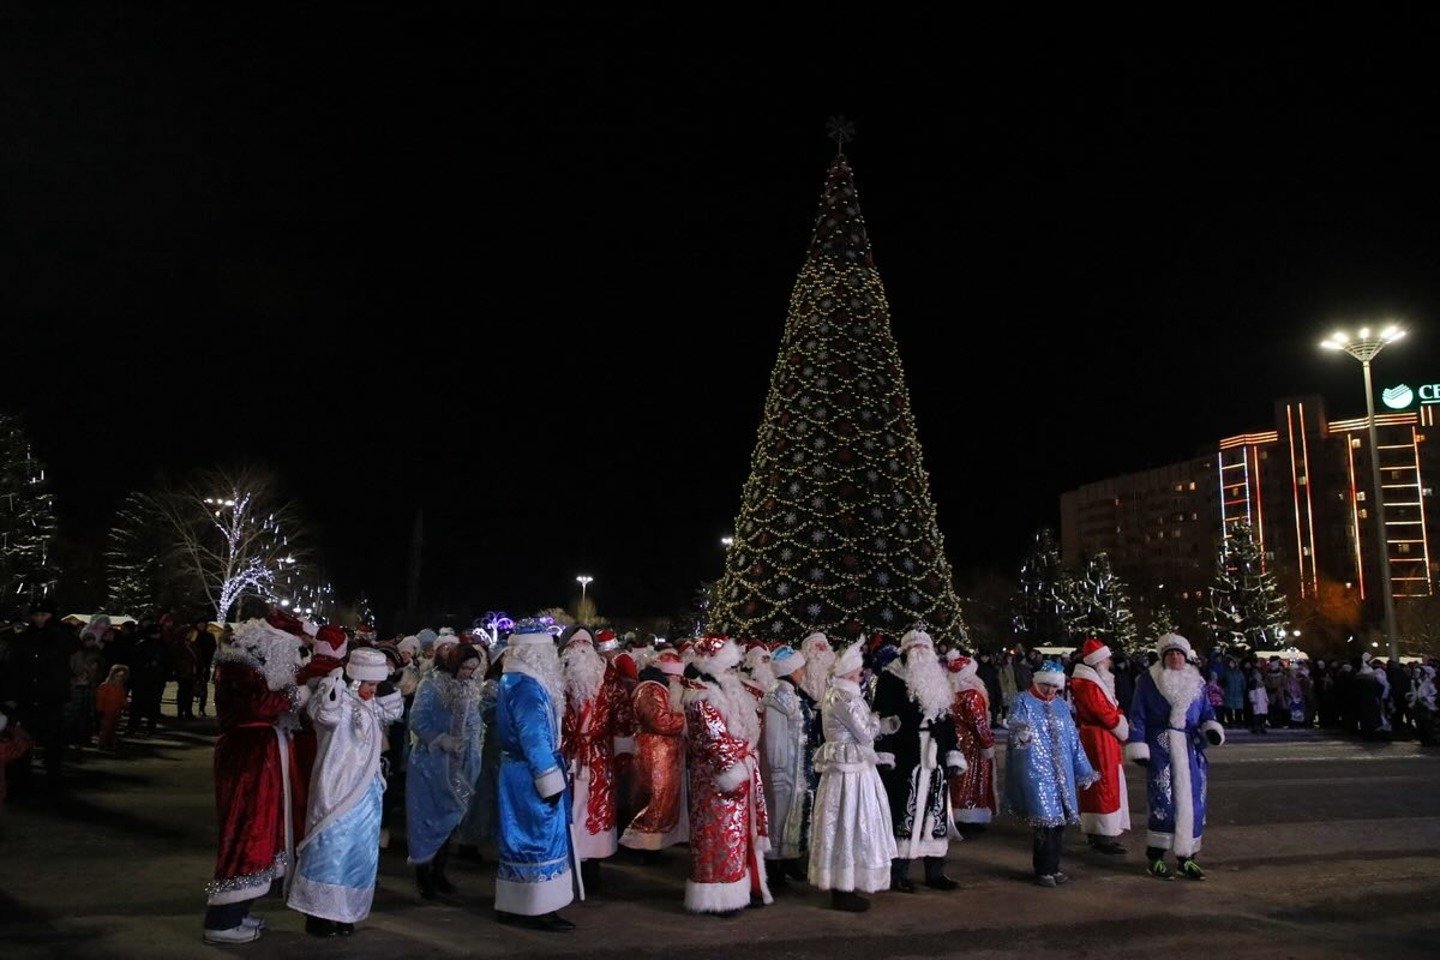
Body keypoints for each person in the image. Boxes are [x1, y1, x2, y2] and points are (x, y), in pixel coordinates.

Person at [202, 618, 309, 946]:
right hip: (249, 762)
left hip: (259, 758)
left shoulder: (247, 669)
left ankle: (237, 911)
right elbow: (261, 705)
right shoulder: (239, 671)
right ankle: (222, 921)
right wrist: (299, 695)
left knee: (260, 834)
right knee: (246, 835)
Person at [287, 647, 404, 937]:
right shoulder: (338, 698)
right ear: (356, 680)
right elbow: (322, 715)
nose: (373, 690)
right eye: (370, 684)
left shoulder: (373, 703)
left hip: (366, 789)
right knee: (330, 847)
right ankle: (318, 913)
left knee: (358, 852)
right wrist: (332, 687)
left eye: (376, 685)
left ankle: (345, 911)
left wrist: (384, 683)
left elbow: (394, 710)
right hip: (337, 785)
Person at [492, 618, 575, 932]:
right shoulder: (527, 687)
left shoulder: (514, 679)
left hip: (518, 771)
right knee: (538, 839)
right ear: (537, 653)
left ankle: (518, 903)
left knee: (518, 838)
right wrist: (549, 777)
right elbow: (534, 736)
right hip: (532, 773)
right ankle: (538, 907)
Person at [681, 633, 773, 916]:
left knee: (739, 833)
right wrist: (733, 764)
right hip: (715, 776)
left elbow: (747, 722)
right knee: (716, 835)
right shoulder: (700, 692)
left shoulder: (730, 685)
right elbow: (712, 737)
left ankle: (743, 887)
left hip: (738, 767)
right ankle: (717, 895)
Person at [807, 640, 898, 912]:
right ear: (849, 674)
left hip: (854, 768)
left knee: (853, 823)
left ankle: (848, 882)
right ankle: (842, 887)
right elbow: (865, 733)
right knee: (847, 822)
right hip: (848, 772)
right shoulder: (844, 697)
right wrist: (876, 720)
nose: (862, 676)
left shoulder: (843, 695)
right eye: (859, 672)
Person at [1126, 633, 1226, 881]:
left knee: (1193, 803)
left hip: (1190, 749)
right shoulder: (1148, 681)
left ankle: (1187, 858)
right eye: (1170, 653)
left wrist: (1211, 729)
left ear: (1186, 657)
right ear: (1163, 657)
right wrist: (1138, 745)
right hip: (1161, 746)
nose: (1175, 657)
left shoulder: (1198, 683)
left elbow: (1206, 712)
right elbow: (1137, 715)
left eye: (1179, 653)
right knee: (1164, 801)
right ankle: (1156, 857)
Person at [872, 626, 963, 893]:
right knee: (904, 810)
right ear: (906, 650)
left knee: (935, 811)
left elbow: (947, 719)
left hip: (934, 758)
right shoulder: (891, 677)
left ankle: (936, 871)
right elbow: (882, 718)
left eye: (925, 648)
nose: (921, 653)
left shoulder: (937, 678)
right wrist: (886, 752)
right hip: (906, 756)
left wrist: (952, 752)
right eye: (916, 648)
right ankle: (898, 872)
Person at [1003, 660, 1099, 886]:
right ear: (1037, 681)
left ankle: (1054, 867)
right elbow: (1015, 737)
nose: (1050, 691)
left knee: (1059, 823)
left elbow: (1073, 740)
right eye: (1046, 685)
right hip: (1036, 772)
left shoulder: (1061, 706)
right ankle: (1043, 869)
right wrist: (1021, 738)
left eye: (1055, 687)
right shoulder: (1022, 701)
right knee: (1044, 822)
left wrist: (1083, 771)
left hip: (1061, 773)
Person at [406, 642, 484, 899]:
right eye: (465, 668)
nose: (468, 673)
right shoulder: (430, 685)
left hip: (459, 765)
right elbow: (417, 720)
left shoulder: (470, 688)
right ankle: (423, 876)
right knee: (426, 820)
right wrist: (440, 739)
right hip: (430, 765)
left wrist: (470, 738)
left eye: (473, 669)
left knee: (449, 819)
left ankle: (439, 873)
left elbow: (474, 719)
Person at [560, 627, 621, 890]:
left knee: (597, 808)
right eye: (576, 643)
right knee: (570, 809)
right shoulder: (557, 675)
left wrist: (624, 747)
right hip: (569, 753)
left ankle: (593, 867)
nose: (582, 648)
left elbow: (621, 710)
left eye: (587, 642)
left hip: (599, 754)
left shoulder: (608, 674)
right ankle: (567, 866)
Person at [0, 599, 78, 790]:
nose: (40, 619)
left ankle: (53, 774)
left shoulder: (61, 634)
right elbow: (14, 665)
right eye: (36, 615)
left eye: (44, 615)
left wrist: (56, 631)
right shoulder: (26, 637)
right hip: (27, 695)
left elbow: (71, 647)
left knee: (52, 737)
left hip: (51, 695)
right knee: (23, 736)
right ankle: (22, 775)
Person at [620, 649, 689, 854]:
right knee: (653, 797)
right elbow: (659, 721)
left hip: (663, 753)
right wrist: (686, 721)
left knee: (661, 798)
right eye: (676, 676)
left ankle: (653, 844)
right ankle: (641, 845)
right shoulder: (651, 690)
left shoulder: (660, 689)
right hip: (654, 752)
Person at [1069, 638, 1131, 855]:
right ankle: (1102, 832)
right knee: (1103, 782)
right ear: (1098, 661)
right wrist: (1119, 723)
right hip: (1099, 738)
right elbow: (1104, 712)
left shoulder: (1091, 681)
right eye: (1106, 658)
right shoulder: (1089, 683)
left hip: (1101, 736)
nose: (1109, 662)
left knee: (1104, 781)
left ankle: (1102, 831)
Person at [759, 644, 813, 890]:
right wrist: (777, 769)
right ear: (791, 671)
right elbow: (773, 736)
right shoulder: (778, 696)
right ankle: (773, 871)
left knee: (790, 815)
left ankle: (787, 862)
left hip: (796, 768)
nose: (803, 673)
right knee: (777, 818)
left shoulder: (790, 693)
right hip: (784, 771)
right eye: (800, 669)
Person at [945, 653, 997, 836]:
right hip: (971, 741)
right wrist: (987, 743)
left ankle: (955, 814)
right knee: (972, 780)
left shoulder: (949, 691)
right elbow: (978, 721)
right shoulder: (972, 694)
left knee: (956, 779)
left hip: (954, 739)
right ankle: (969, 817)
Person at [95, 663, 130, 751]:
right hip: (107, 711)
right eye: (118, 676)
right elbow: (100, 699)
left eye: (122, 677)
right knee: (105, 728)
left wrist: (125, 705)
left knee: (113, 728)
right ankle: (102, 743)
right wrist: (100, 709)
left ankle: (110, 742)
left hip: (117, 711)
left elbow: (122, 698)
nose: (119, 679)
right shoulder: (105, 686)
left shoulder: (120, 688)